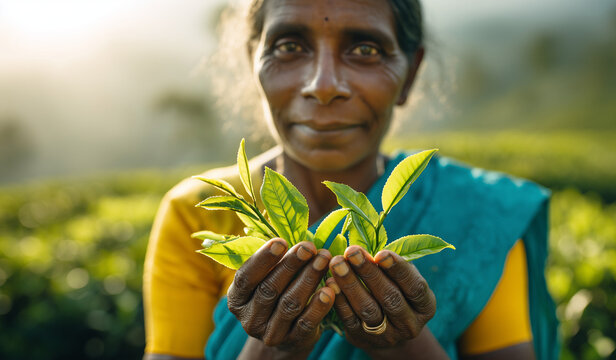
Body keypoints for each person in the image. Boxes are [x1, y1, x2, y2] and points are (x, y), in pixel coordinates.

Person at [143, 0, 559, 359]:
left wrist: (401, 348)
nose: (323, 86)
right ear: (254, 62)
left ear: (410, 74)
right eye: (289, 46)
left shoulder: (478, 215)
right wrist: (273, 351)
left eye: (365, 49)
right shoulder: (197, 215)